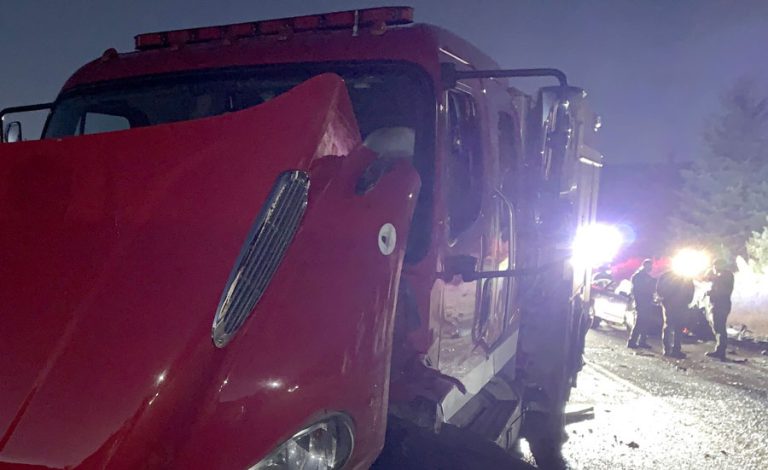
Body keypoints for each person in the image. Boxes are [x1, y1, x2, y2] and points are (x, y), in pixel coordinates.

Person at [656, 269, 695, 358]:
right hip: (675, 305)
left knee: (674, 327)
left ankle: (671, 349)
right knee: (672, 327)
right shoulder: (668, 276)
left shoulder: (667, 276)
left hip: (675, 305)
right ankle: (671, 349)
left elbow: (659, 290)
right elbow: (690, 292)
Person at [705, 259, 735, 360]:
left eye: (715, 266)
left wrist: (711, 293)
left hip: (720, 304)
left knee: (720, 327)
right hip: (719, 304)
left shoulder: (724, 275)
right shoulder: (722, 275)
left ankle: (721, 350)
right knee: (717, 327)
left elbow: (721, 289)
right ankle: (720, 349)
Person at [628, 259, 655, 349]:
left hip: (646, 302)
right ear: (644, 265)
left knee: (645, 322)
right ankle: (632, 341)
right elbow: (637, 290)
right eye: (648, 265)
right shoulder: (638, 276)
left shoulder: (646, 277)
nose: (650, 267)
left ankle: (641, 341)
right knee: (639, 322)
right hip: (641, 302)